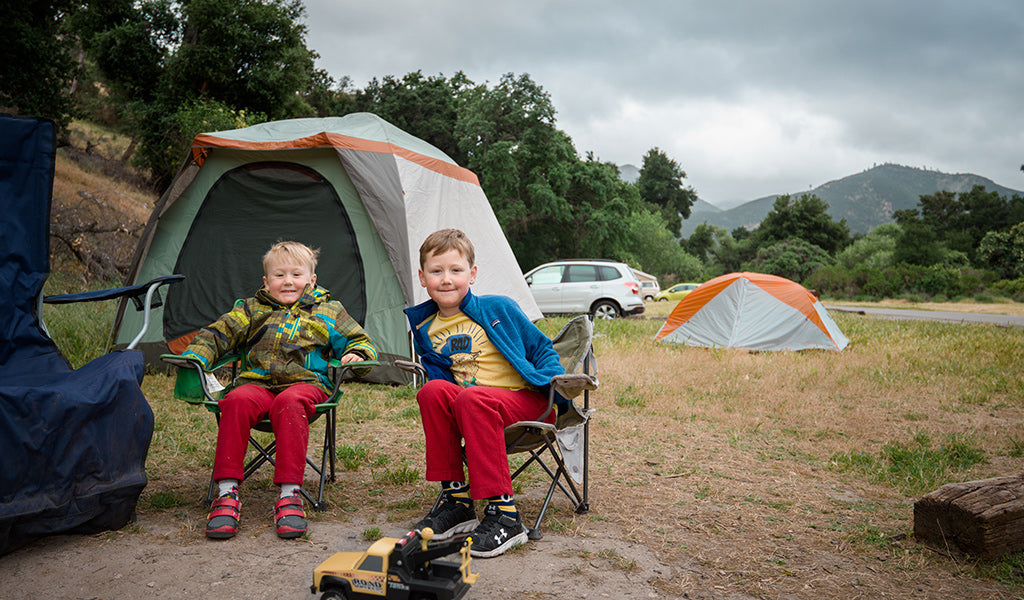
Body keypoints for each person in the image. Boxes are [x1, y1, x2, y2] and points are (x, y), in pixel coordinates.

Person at [182, 241, 377, 540]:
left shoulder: (329, 310)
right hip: (257, 383)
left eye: (297, 275)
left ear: (311, 280)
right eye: (279, 276)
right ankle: (226, 493)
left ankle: (290, 494)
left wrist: (358, 354)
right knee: (235, 399)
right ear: (266, 281)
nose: (288, 282)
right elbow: (218, 334)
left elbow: (358, 339)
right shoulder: (250, 309)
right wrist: (198, 355)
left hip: (306, 385)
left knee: (289, 401)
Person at [404, 229, 566, 558]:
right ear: (422, 278)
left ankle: (506, 518)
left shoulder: (498, 308)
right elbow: (442, 380)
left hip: (528, 403)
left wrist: (552, 384)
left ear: (472, 274)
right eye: (436, 271)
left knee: (471, 398)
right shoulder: (425, 328)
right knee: (432, 392)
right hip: (475, 410)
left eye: (455, 270)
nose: (446, 279)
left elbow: (543, 351)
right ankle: (458, 502)